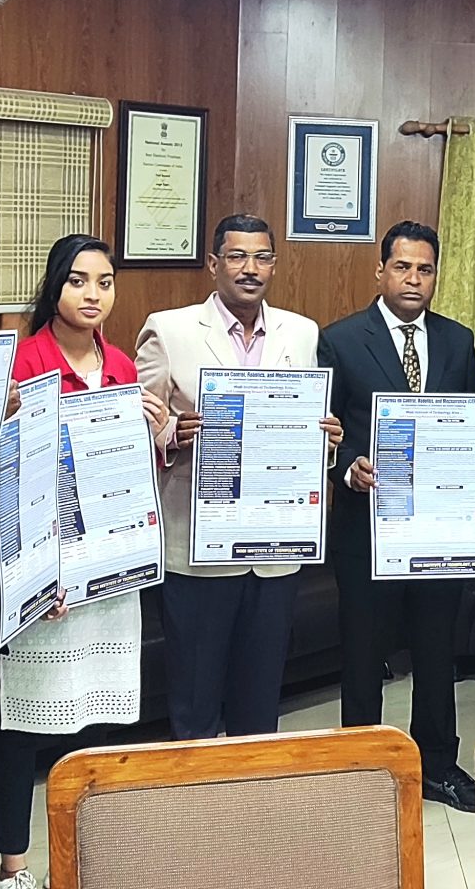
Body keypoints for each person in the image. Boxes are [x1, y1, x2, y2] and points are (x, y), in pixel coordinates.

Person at [0, 235, 167, 889]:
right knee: (22, 720)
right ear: (54, 285)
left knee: (98, 711)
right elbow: (5, 473)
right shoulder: (22, 361)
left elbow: (132, 475)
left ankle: (89, 850)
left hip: (107, 569)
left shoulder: (121, 364)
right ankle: (13, 863)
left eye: (105, 282)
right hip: (40, 566)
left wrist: (153, 428)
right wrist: (36, 572)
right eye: (79, 281)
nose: (93, 295)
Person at [136, 213, 340, 739]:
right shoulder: (170, 329)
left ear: (274, 264)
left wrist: (326, 439)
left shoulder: (301, 332)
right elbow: (136, 429)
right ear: (214, 264)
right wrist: (172, 433)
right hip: (198, 551)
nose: (250, 269)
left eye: (262, 257)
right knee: (195, 704)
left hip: (275, 550)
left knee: (259, 704)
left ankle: (253, 791)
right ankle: (197, 791)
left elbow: (305, 426)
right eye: (237, 256)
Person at [318, 220, 475, 812]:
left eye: (425, 269)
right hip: (368, 527)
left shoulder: (458, 339)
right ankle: (363, 768)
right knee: (363, 655)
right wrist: (347, 468)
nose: (414, 279)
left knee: (437, 653)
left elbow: (474, 414)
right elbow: (324, 430)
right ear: (381, 271)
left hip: (439, 526)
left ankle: (437, 764)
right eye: (403, 267)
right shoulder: (340, 339)